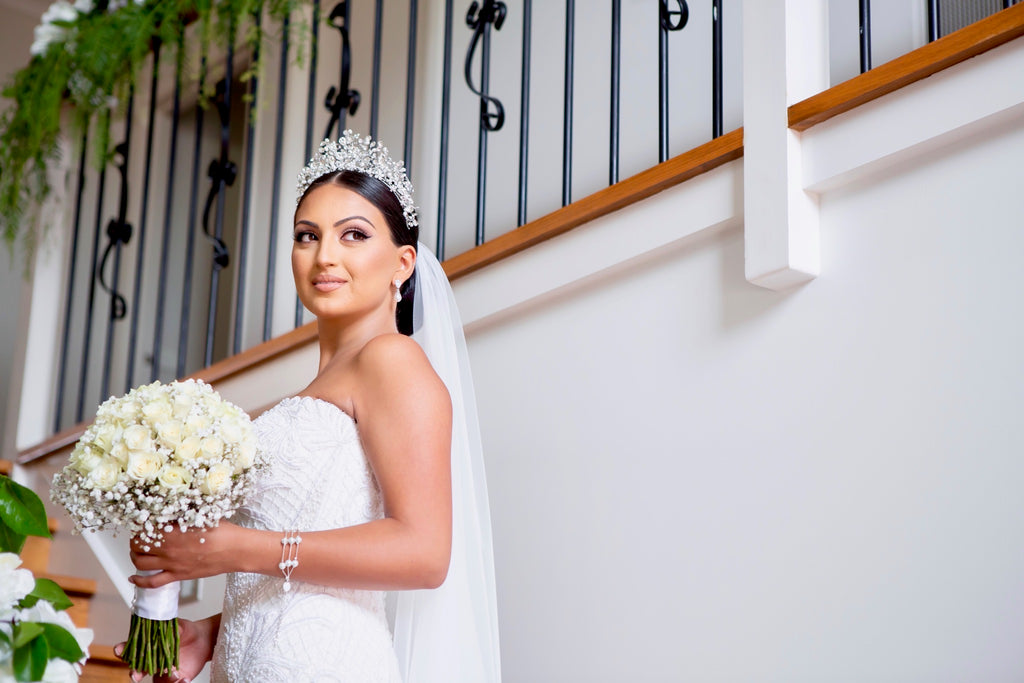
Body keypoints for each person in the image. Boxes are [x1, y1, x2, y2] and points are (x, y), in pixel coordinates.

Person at [120, 131, 501, 682]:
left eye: (353, 235)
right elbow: (312, 570)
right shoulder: (314, 389)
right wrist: (211, 630)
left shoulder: (391, 360)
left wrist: (236, 548)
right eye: (307, 235)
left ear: (403, 263)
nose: (325, 255)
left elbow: (423, 552)